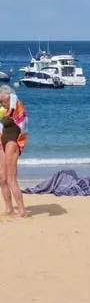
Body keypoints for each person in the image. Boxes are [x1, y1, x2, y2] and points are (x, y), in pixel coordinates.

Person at [0, 85, 28, 217]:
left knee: (11, 179)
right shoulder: (3, 110)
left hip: (13, 142)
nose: (2, 104)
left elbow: (12, 96)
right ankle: (9, 208)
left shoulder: (15, 104)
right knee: (2, 178)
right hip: (2, 142)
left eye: (3, 101)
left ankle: (22, 210)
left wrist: (8, 103)